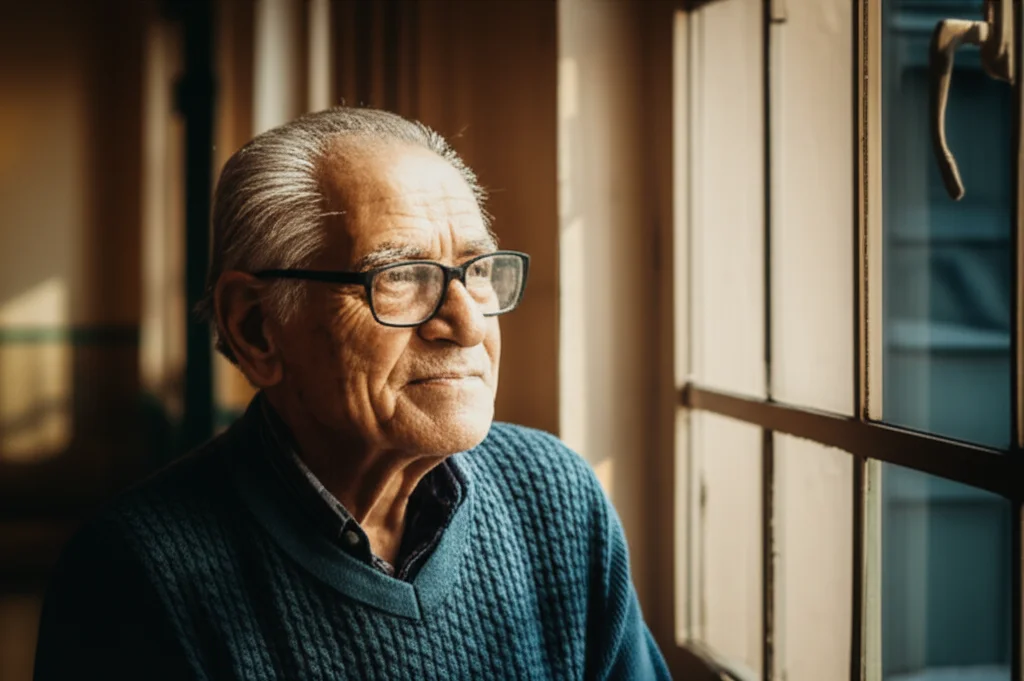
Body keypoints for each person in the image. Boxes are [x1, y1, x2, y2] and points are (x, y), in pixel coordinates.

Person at [33, 107, 670, 680]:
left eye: (476, 271)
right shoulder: (133, 574)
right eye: (400, 278)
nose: (469, 324)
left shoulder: (553, 496)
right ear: (257, 328)